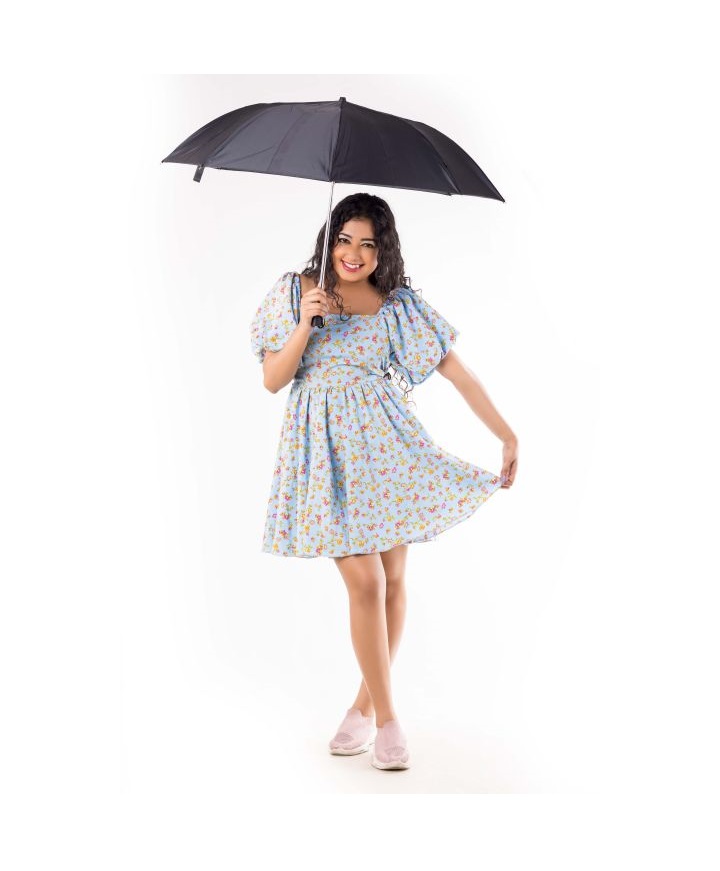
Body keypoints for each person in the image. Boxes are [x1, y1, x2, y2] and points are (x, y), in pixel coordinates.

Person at [250, 192, 518, 771]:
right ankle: (390, 720)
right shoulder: (297, 291)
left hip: (387, 453)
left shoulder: (396, 305)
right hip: (325, 457)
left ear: (383, 250)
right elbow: (273, 379)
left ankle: (362, 708)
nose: (353, 254)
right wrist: (305, 324)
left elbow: (457, 373)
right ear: (330, 240)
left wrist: (506, 434)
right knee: (366, 582)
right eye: (345, 240)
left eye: (368, 245)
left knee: (393, 580)